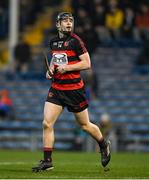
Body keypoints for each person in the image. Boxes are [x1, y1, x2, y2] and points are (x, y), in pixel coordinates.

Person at [32, 12, 111, 173]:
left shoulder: (76, 41)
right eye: (65, 21)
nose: (68, 23)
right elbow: (55, 60)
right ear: (58, 25)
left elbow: (87, 63)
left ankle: (103, 144)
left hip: (74, 90)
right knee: (47, 123)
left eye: (70, 21)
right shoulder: (53, 42)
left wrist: (66, 68)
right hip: (57, 89)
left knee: (85, 125)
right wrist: (51, 71)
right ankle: (47, 162)